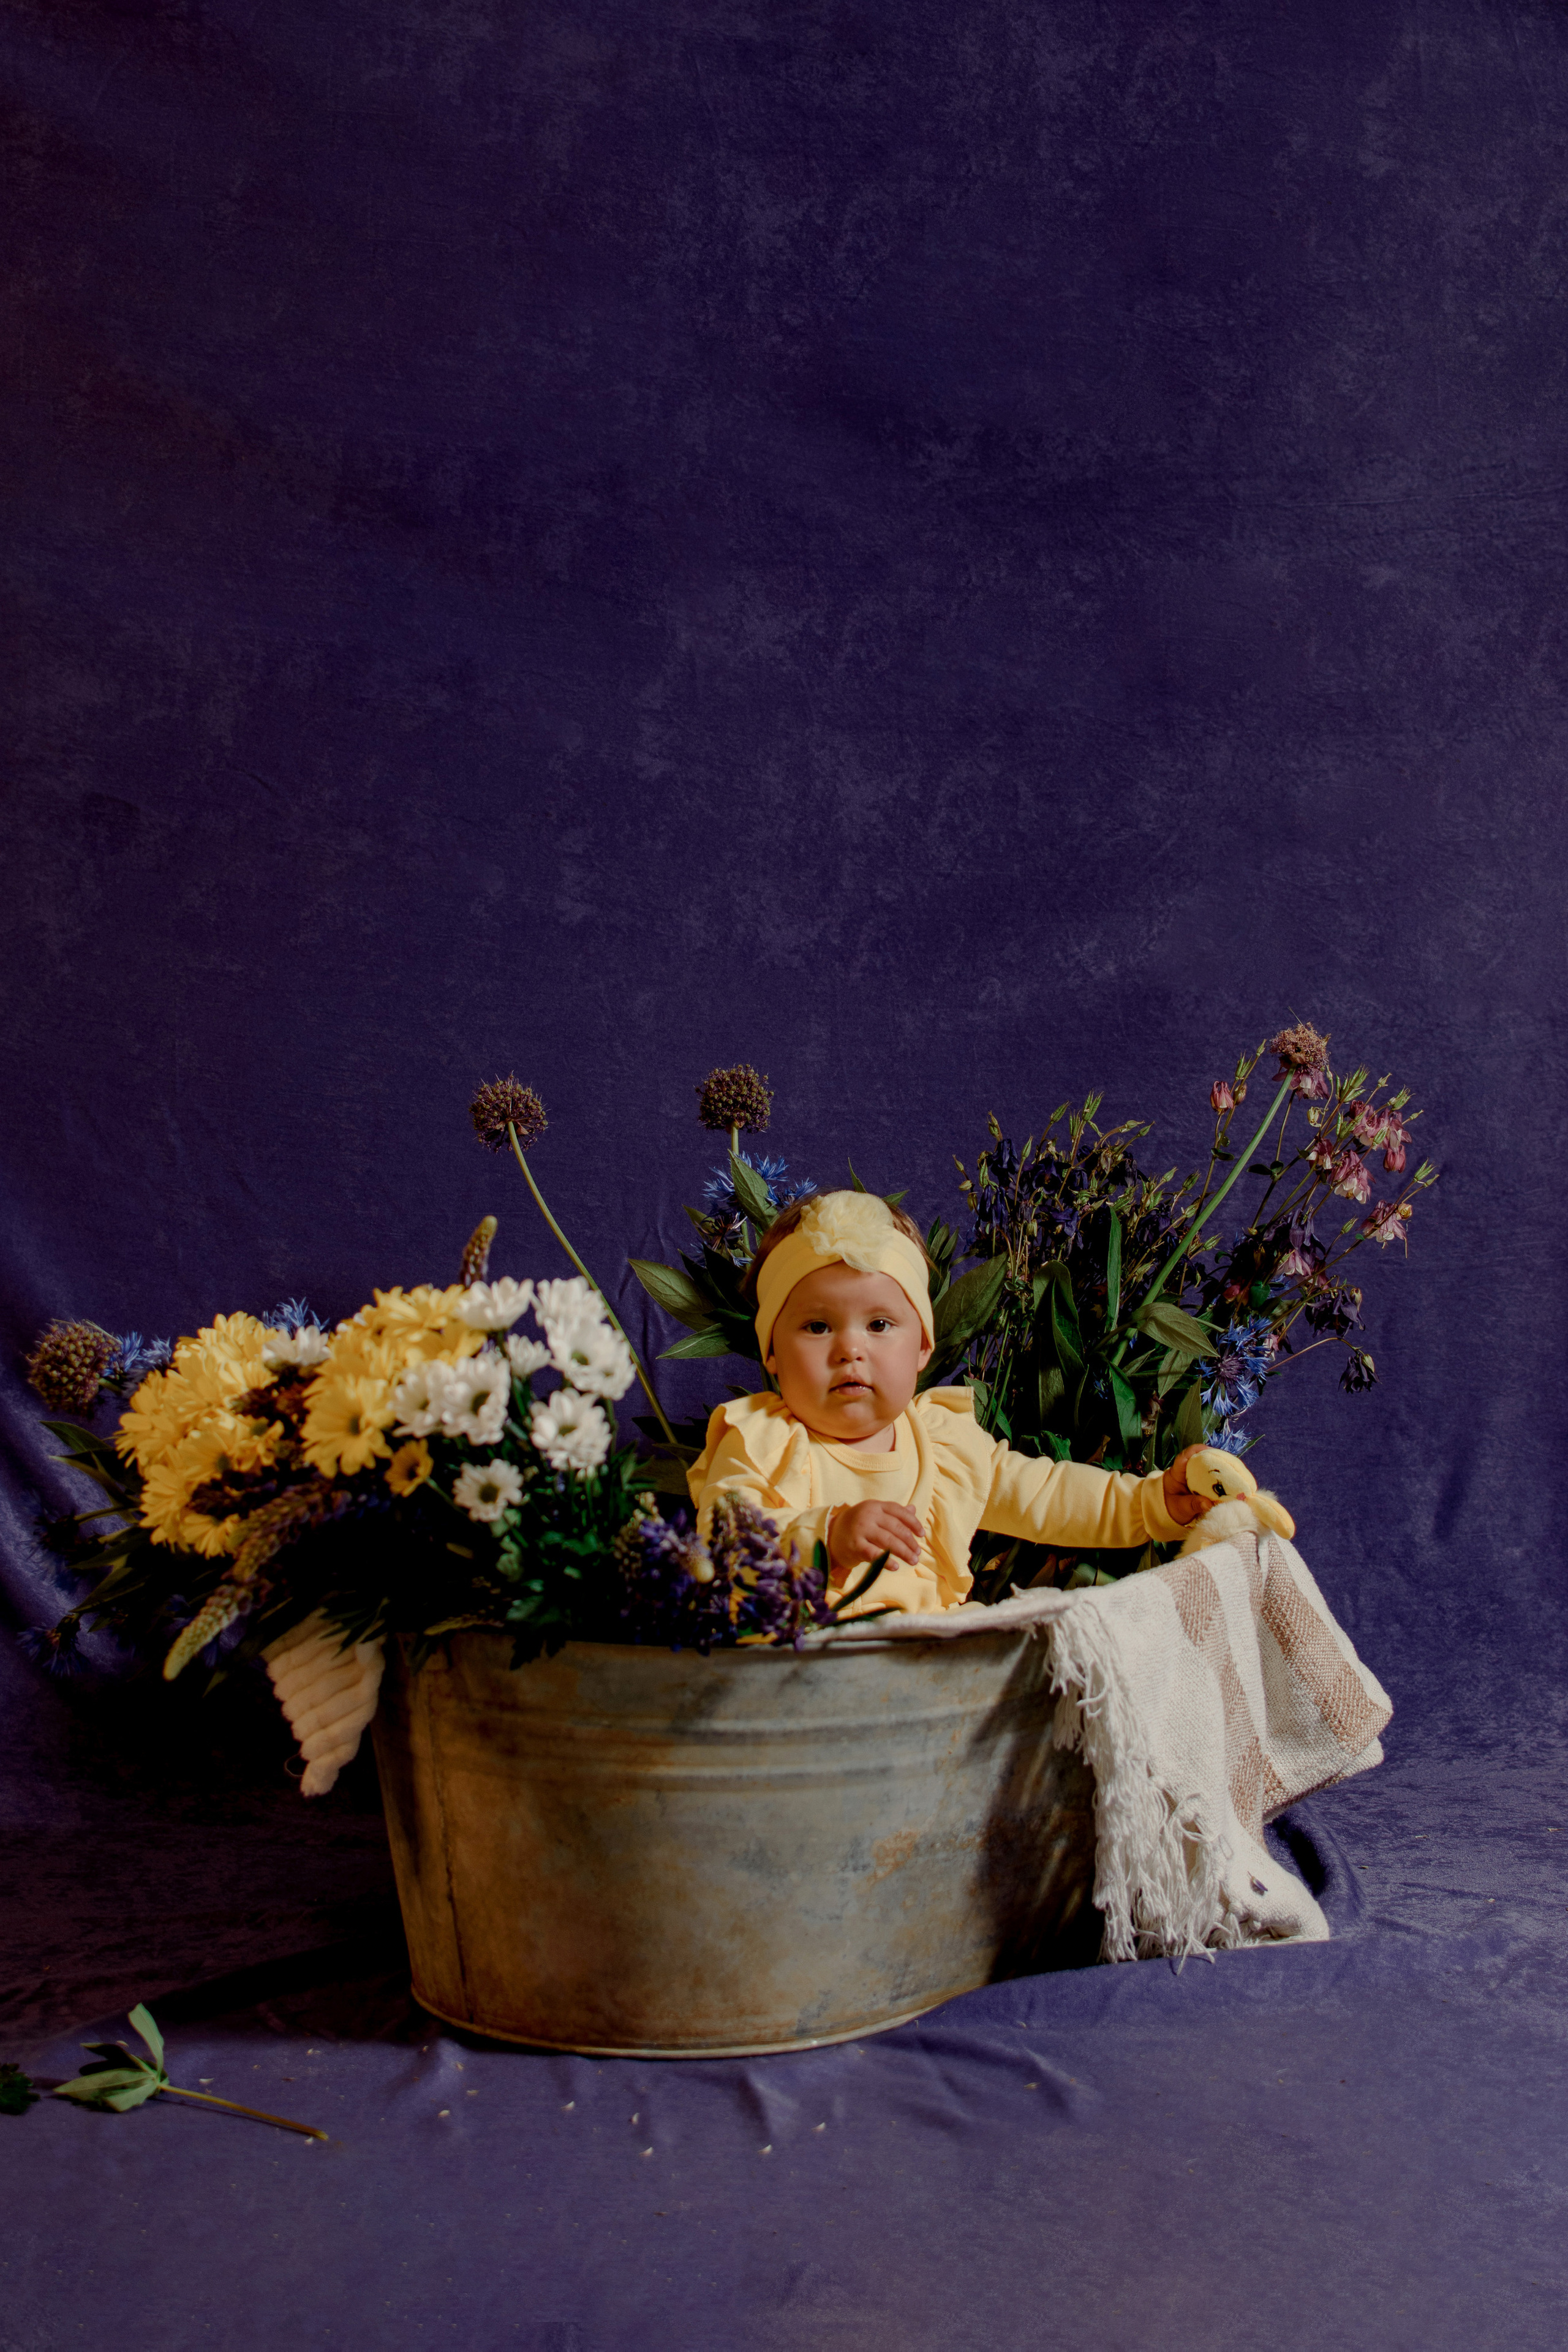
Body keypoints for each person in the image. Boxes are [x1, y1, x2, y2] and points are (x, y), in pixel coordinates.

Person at [687, 1188, 1222, 1616]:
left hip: (926, 1665)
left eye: (879, 1325)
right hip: (801, 1664)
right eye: (817, 1326)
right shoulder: (760, 1441)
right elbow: (724, 1542)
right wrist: (826, 1534)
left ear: (922, 1346)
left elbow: (1047, 1496)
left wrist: (1153, 1504)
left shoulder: (941, 1446)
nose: (850, 1349)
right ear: (772, 1353)